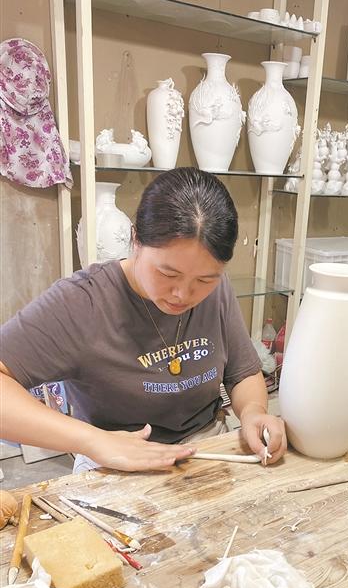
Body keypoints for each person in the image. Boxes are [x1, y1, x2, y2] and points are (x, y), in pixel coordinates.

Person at [0, 167, 287, 472]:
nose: (183, 294)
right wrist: (92, 440)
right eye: (168, 274)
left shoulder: (216, 290)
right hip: (114, 458)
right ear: (136, 240)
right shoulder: (82, 301)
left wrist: (253, 412)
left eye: (204, 279)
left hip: (207, 447)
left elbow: (243, 372)